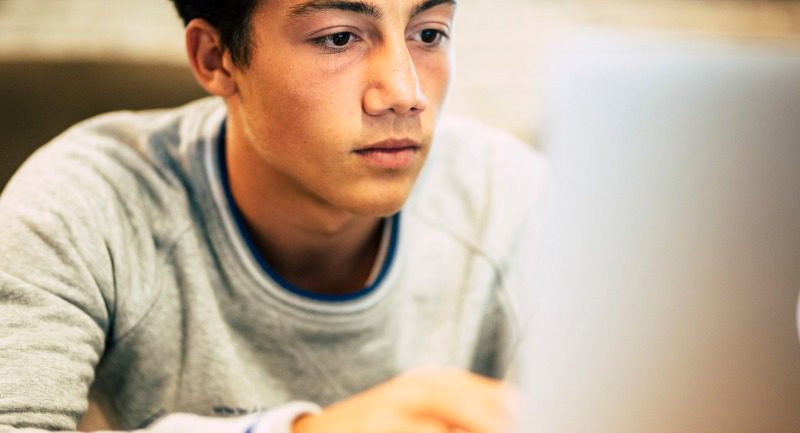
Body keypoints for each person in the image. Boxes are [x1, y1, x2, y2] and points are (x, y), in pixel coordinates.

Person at [0, 0, 548, 432]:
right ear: (216, 58)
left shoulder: (512, 199)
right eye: (339, 38)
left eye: (428, 33)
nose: (405, 95)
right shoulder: (88, 201)